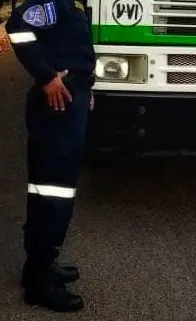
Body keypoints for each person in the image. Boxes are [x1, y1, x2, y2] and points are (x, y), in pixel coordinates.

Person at [5, 0, 95, 312]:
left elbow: (74, 52)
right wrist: (46, 76)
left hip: (72, 101)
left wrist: (86, 87)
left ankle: (43, 264)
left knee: (59, 191)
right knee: (51, 193)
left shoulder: (73, 5)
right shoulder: (53, 3)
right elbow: (16, 27)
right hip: (55, 108)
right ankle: (38, 282)